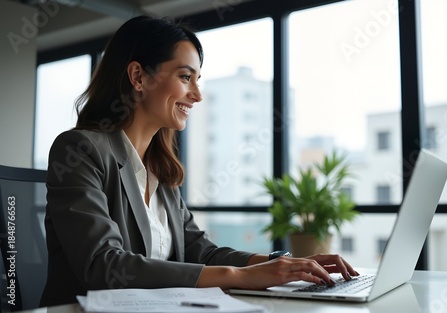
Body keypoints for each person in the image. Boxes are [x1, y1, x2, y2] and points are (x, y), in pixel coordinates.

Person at [40, 15, 359, 306]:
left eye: (197, 79)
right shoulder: (80, 150)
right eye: (185, 77)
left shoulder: (159, 170)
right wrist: (240, 277)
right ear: (138, 77)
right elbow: (104, 265)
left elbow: (202, 252)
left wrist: (282, 264)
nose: (197, 94)